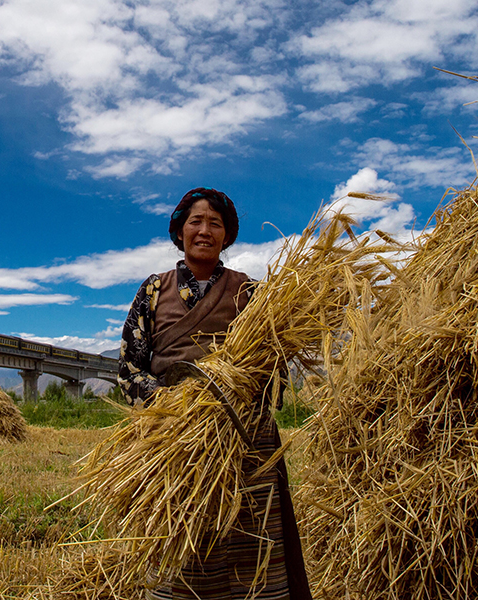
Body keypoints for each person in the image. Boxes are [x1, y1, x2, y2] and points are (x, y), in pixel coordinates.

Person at [118, 187, 312, 600]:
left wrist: (236, 397)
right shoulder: (154, 290)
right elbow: (130, 367)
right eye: (195, 221)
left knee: (250, 552)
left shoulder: (250, 293)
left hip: (244, 441)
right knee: (181, 548)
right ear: (179, 231)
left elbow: (273, 368)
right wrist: (172, 408)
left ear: (227, 236)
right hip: (172, 439)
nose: (204, 230)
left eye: (215, 223)